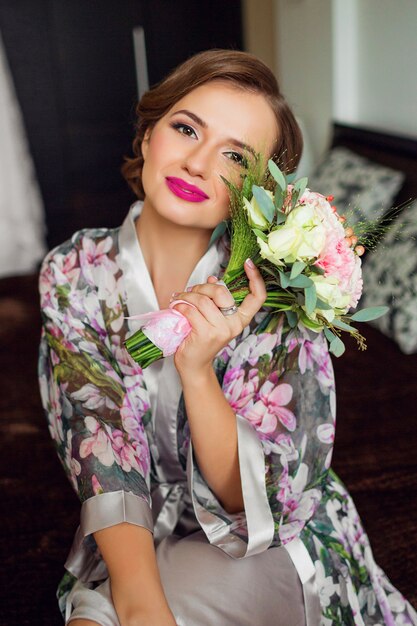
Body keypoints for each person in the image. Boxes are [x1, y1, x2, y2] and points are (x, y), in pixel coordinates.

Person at [38, 49, 417, 626]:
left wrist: (197, 369)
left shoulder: (279, 293)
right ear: (147, 136)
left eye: (235, 156)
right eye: (186, 128)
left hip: (265, 538)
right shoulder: (73, 271)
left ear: (259, 194)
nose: (196, 162)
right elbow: (98, 436)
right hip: (130, 525)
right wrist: (138, 605)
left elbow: (250, 500)